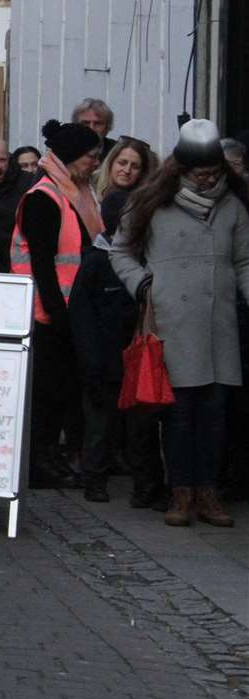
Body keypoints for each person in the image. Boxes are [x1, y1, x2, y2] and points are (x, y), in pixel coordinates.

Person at [112, 120, 249, 528]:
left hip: (218, 323)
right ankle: (181, 491)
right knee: (179, 414)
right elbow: (119, 253)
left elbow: (244, 261)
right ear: (181, 170)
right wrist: (144, 285)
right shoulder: (151, 203)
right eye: (199, 174)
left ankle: (207, 490)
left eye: (213, 173)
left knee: (214, 414)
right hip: (171, 320)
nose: (207, 180)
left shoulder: (234, 207)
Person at [10, 120, 103, 492]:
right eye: (91, 157)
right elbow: (44, 265)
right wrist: (57, 314)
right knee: (47, 395)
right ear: (72, 157)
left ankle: (49, 455)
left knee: (61, 392)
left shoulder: (74, 193)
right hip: (48, 312)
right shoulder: (44, 197)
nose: (96, 163)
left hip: (68, 309)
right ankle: (39, 461)